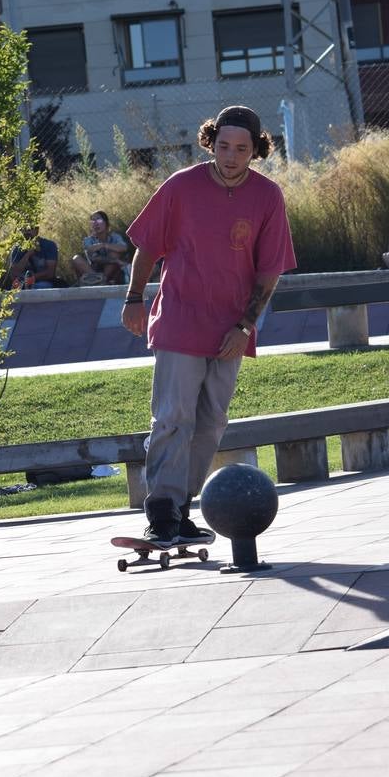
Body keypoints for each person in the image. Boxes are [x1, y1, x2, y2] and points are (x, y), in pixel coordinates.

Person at [121, 105, 296, 546]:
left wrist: (244, 326)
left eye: (241, 149)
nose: (231, 156)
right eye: (223, 146)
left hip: (231, 328)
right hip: (179, 319)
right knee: (172, 417)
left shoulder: (268, 196)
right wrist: (133, 297)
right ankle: (160, 510)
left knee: (211, 422)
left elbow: (269, 271)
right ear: (210, 142)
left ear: (256, 150)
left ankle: (182, 509)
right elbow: (147, 246)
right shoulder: (181, 186)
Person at [73, 211, 129, 285]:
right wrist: (116, 261)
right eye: (93, 221)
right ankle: (99, 280)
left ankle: (102, 280)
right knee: (76, 258)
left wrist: (103, 245)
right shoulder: (88, 240)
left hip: (111, 270)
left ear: (106, 223)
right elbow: (94, 258)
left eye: (99, 220)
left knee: (115, 253)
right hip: (93, 270)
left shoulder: (115, 236)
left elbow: (124, 248)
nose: (96, 223)